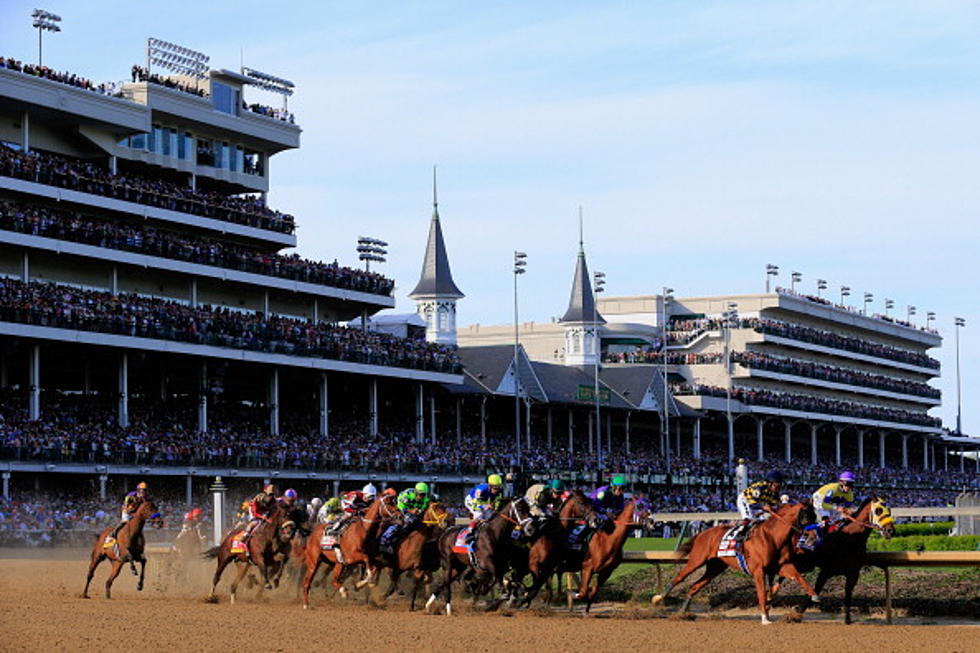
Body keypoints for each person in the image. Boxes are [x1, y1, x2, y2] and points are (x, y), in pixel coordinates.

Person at [382, 483, 431, 554]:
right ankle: (386, 539)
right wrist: (409, 510)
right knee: (404, 521)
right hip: (400, 508)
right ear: (416, 491)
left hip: (414, 512)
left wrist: (419, 511)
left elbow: (422, 509)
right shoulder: (408, 494)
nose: (422, 496)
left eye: (424, 494)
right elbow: (399, 504)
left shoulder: (426, 499)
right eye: (420, 494)